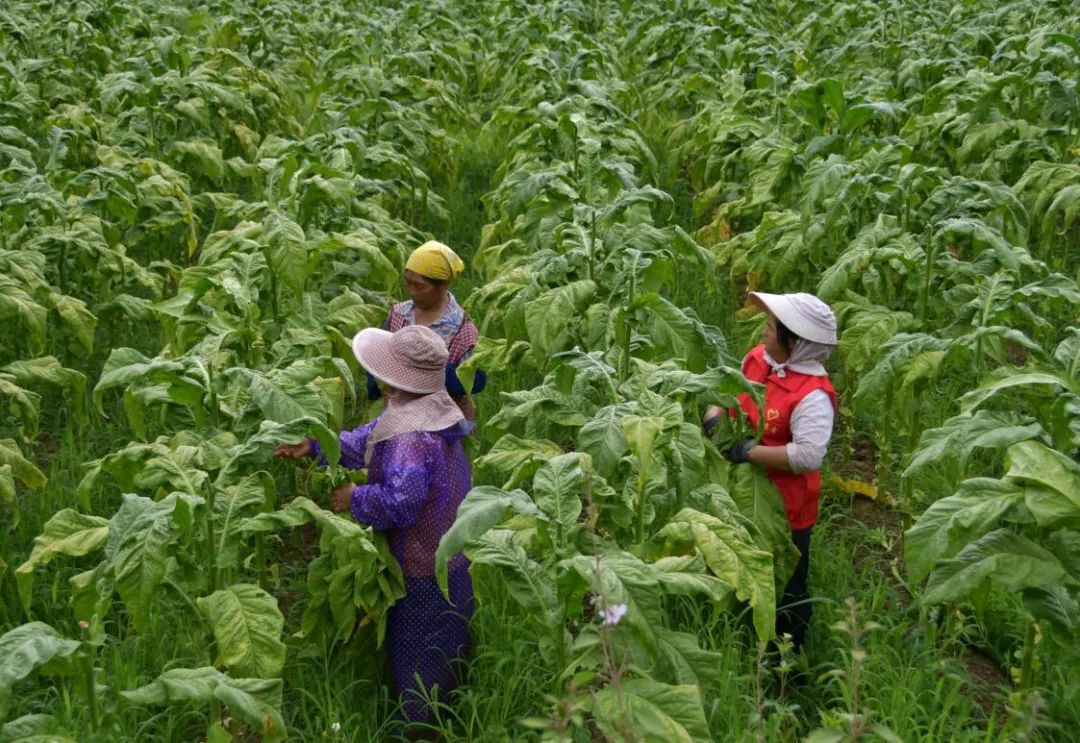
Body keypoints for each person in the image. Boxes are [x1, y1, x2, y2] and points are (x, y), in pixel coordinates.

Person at [276, 324, 474, 736]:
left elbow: (401, 502)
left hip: (422, 562)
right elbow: (366, 440)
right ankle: (452, 705)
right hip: (452, 551)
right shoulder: (423, 410)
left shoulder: (411, 438)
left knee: (419, 645)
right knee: (448, 634)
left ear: (395, 381)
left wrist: (355, 498)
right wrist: (317, 446)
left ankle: (420, 725)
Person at [704, 292, 838, 653]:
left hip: (786, 507)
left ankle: (787, 665)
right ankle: (742, 638)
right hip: (741, 492)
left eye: (770, 327)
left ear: (795, 342)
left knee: (786, 586)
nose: (763, 332)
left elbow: (807, 456)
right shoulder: (758, 359)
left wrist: (749, 452)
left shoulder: (812, 395)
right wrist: (715, 414)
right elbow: (729, 390)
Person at [368, 240, 486, 421]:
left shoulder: (462, 329)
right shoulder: (399, 314)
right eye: (408, 283)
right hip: (396, 415)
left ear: (443, 284)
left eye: (420, 286)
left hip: (442, 422)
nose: (412, 291)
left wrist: (431, 372)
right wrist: (377, 384)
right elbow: (380, 355)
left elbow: (475, 380)